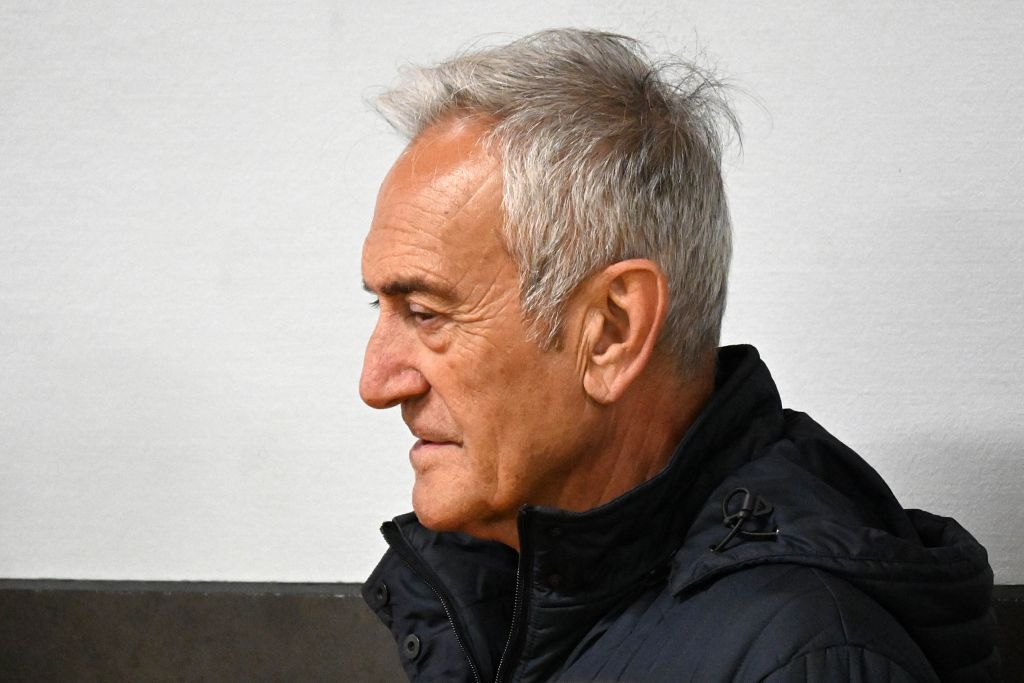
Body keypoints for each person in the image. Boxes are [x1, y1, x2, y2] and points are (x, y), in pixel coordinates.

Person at [358, 29, 998, 682]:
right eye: (379, 307)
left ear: (612, 332)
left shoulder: (806, 659)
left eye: (426, 313)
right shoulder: (501, 591)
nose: (376, 382)